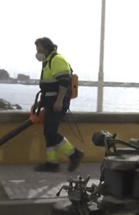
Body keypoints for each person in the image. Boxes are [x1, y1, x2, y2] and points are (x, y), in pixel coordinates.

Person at [33, 37, 84, 172]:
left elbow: (63, 82)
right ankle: (51, 163)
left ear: (46, 48)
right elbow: (49, 86)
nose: (37, 51)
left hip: (57, 103)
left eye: (39, 48)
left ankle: (74, 154)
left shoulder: (57, 60)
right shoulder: (47, 61)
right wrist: (42, 102)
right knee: (48, 133)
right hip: (50, 102)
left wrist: (59, 101)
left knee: (51, 131)